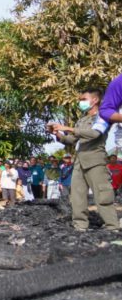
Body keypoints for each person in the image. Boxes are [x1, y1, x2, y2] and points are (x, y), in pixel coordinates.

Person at [50, 88, 119, 230]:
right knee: (77, 196)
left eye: (83, 99)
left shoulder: (103, 116)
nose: (80, 102)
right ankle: (80, 225)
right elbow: (70, 140)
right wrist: (57, 134)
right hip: (79, 162)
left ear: (95, 100)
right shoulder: (81, 120)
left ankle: (112, 226)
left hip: (95, 161)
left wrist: (67, 127)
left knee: (103, 195)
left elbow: (94, 133)